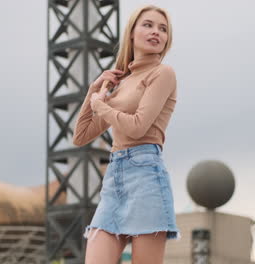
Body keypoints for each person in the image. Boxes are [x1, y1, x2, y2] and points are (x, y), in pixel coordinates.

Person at [72, 4, 180, 264]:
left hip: (146, 176)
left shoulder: (162, 73)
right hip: (114, 178)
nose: (156, 32)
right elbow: (81, 136)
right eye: (148, 25)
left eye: (162, 29)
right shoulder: (121, 83)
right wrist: (92, 92)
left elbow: (138, 127)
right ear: (131, 33)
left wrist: (102, 106)